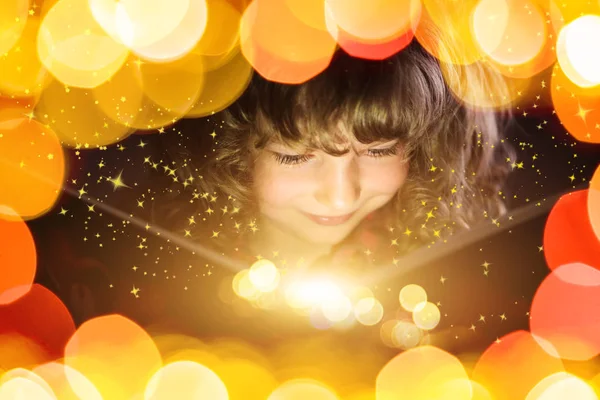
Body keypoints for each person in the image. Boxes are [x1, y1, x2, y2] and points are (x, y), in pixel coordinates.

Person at [160, 38, 515, 274]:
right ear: (226, 153)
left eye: (379, 151)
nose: (341, 196)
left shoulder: (447, 281)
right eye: (295, 157)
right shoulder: (159, 281)